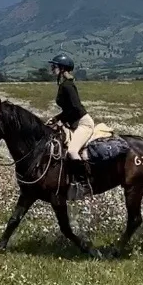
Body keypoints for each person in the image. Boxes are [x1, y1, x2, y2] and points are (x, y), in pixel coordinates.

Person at [48, 53, 94, 199]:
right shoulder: (63, 85)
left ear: (62, 68)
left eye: (54, 66)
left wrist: (60, 119)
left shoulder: (68, 86)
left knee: (72, 151)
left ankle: (85, 185)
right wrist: (56, 119)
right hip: (72, 123)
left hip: (82, 123)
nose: (52, 68)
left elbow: (75, 108)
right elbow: (68, 110)